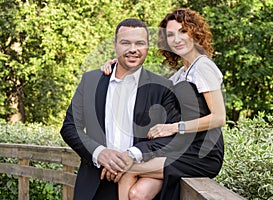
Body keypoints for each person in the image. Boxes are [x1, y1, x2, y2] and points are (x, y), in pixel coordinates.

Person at [100, 8, 226, 200]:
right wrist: (118, 65)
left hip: (202, 152)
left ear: (195, 32)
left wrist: (174, 127)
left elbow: (219, 118)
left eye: (183, 31)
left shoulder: (203, 67)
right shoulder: (180, 74)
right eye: (170, 35)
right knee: (137, 194)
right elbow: (149, 83)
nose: (177, 39)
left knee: (127, 169)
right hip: (180, 148)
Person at [60, 18, 181, 200]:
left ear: (147, 47)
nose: (133, 49)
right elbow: (69, 127)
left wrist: (132, 156)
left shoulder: (163, 87)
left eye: (139, 43)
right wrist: (100, 153)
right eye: (125, 43)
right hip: (94, 185)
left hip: (138, 186)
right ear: (115, 45)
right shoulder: (91, 81)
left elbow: (171, 138)